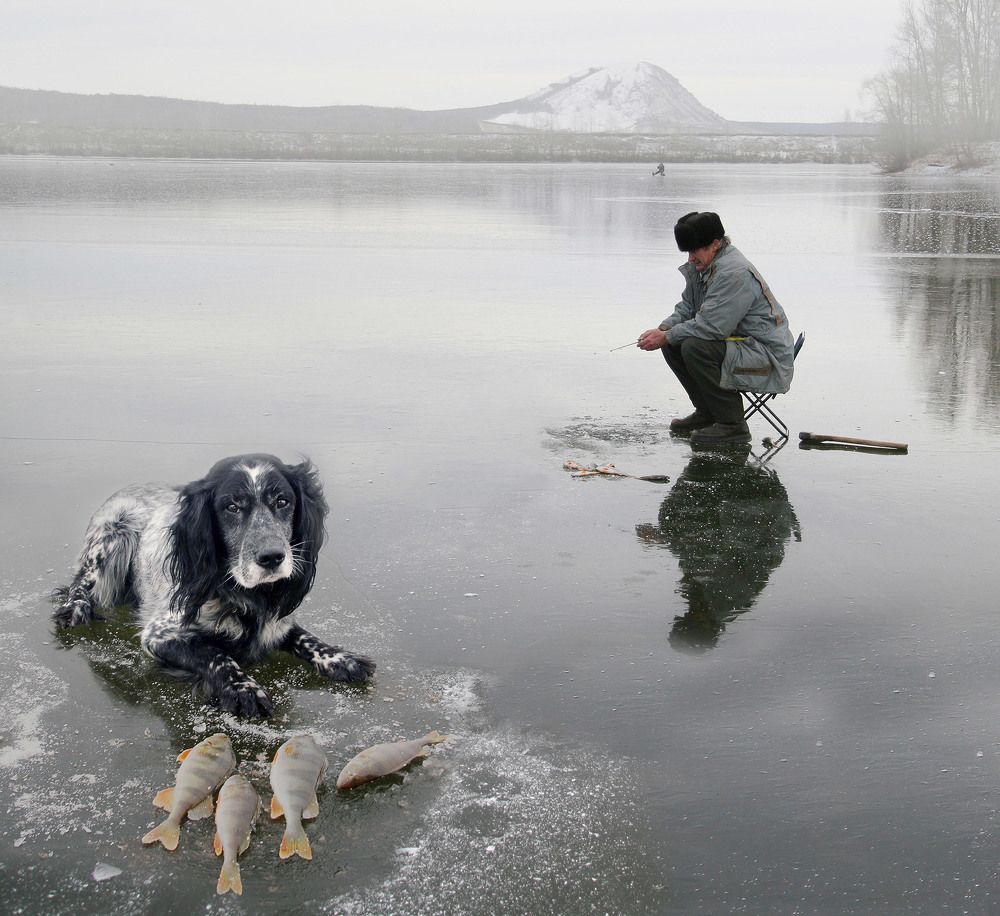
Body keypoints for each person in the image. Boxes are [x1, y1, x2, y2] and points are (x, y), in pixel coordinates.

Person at [637, 211, 794, 445]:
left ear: (715, 244)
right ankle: (707, 413)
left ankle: (733, 425)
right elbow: (688, 307)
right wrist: (663, 329)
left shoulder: (733, 273)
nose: (691, 258)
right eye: (688, 252)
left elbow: (712, 327)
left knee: (693, 346)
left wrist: (668, 335)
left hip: (767, 358)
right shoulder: (705, 267)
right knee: (673, 344)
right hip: (742, 347)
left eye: (695, 251)